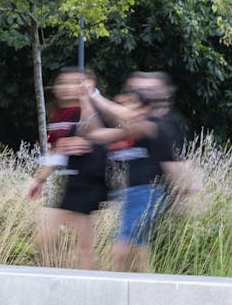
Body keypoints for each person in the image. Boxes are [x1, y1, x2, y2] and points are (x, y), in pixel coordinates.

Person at [82, 77, 195, 272]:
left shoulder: (152, 124)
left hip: (146, 194)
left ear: (144, 108)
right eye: (123, 102)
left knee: (120, 251)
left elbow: (128, 116)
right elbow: (95, 134)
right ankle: (150, 292)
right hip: (127, 196)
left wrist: (95, 95)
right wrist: (85, 100)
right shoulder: (127, 132)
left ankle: (113, 293)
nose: (125, 107)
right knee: (139, 253)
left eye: (131, 103)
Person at [28, 68, 108, 271]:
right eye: (61, 82)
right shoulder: (59, 115)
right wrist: (40, 180)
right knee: (58, 239)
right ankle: (61, 276)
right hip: (73, 183)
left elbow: (98, 137)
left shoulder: (88, 109)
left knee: (78, 244)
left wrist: (82, 141)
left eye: (73, 82)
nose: (65, 87)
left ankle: (83, 285)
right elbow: (57, 152)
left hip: (88, 183)